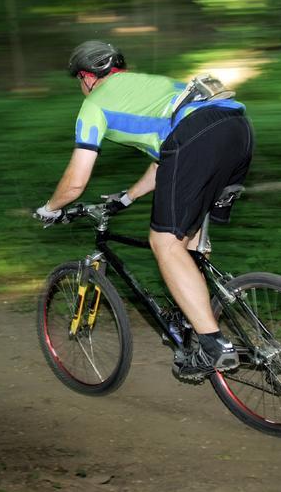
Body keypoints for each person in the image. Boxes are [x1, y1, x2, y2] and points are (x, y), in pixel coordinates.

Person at [33, 40, 254, 378]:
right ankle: (198, 318)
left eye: (80, 81)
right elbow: (167, 159)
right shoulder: (151, 85)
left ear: (87, 77)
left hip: (197, 136)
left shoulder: (93, 105)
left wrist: (50, 208)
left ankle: (213, 345)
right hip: (237, 129)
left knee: (163, 242)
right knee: (186, 242)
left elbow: (76, 182)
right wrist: (128, 197)